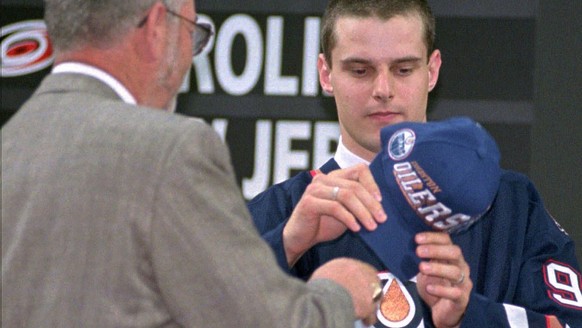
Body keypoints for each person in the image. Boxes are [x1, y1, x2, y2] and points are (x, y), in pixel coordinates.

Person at [1, 0, 385, 327]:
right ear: (155, 27)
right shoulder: (171, 149)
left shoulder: (10, 143)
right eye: (192, 34)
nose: (188, 57)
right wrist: (339, 291)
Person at [248, 0, 582, 327]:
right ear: (326, 74)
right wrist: (286, 246)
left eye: (403, 69)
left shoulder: (509, 204)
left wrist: (470, 315)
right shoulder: (280, 213)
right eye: (360, 70)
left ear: (432, 71)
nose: (383, 89)